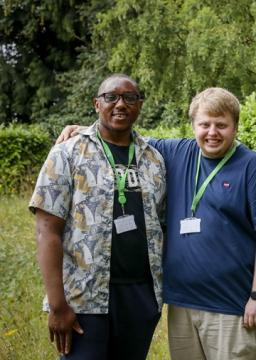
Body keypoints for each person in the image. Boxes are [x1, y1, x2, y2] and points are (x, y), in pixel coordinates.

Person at [57, 87, 256, 359]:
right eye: (204, 124)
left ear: (235, 126)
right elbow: (125, 138)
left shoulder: (252, 166)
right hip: (182, 304)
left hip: (231, 306)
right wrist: (84, 129)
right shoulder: (177, 152)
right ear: (193, 126)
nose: (212, 132)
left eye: (221, 125)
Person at [30, 74, 166, 359]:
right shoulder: (67, 153)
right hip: (83, 299)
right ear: (96, 104)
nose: (120, 104)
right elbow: (47, 230)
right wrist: (57, 305)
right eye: (111, 97)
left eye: (130, 97)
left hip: (140, 296)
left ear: (139, 105)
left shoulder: (153, 159)